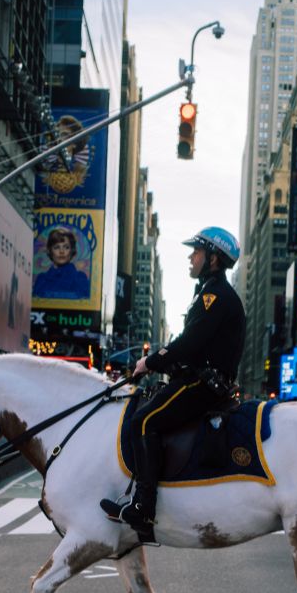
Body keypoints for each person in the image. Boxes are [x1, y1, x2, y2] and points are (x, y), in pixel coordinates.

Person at [100, 226, 246, 542]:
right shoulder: (210, 292)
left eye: (196, 252)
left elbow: (190, 342)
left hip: (205, 385)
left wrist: (149, 362)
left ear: (214, 259)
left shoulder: (215, 295)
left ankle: (144, 507)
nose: (191, 258)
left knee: (144, 422)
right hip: (199, 378)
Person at [32, 227, 91, 299]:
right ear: (50, 251)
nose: (61, 251)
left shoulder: (79, 279)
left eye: (66, 247)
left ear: (72, 250)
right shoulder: (42, 280)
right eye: (57, 247)